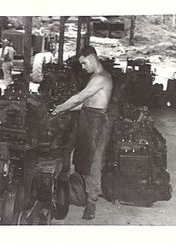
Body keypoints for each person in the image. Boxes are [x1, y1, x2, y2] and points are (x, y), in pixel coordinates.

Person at [51, 46, 113, 220]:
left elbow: (79, 97)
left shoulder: (101, 78)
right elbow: (85, 103)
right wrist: (62, 110)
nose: (83, 67)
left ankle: (91, 203)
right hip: (87, 120)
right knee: (82, 159)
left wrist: (59, 108)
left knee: (93, 164)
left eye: (84, 63)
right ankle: (78, 192)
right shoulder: (94, 77)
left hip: (97, 124)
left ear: (91, 57)